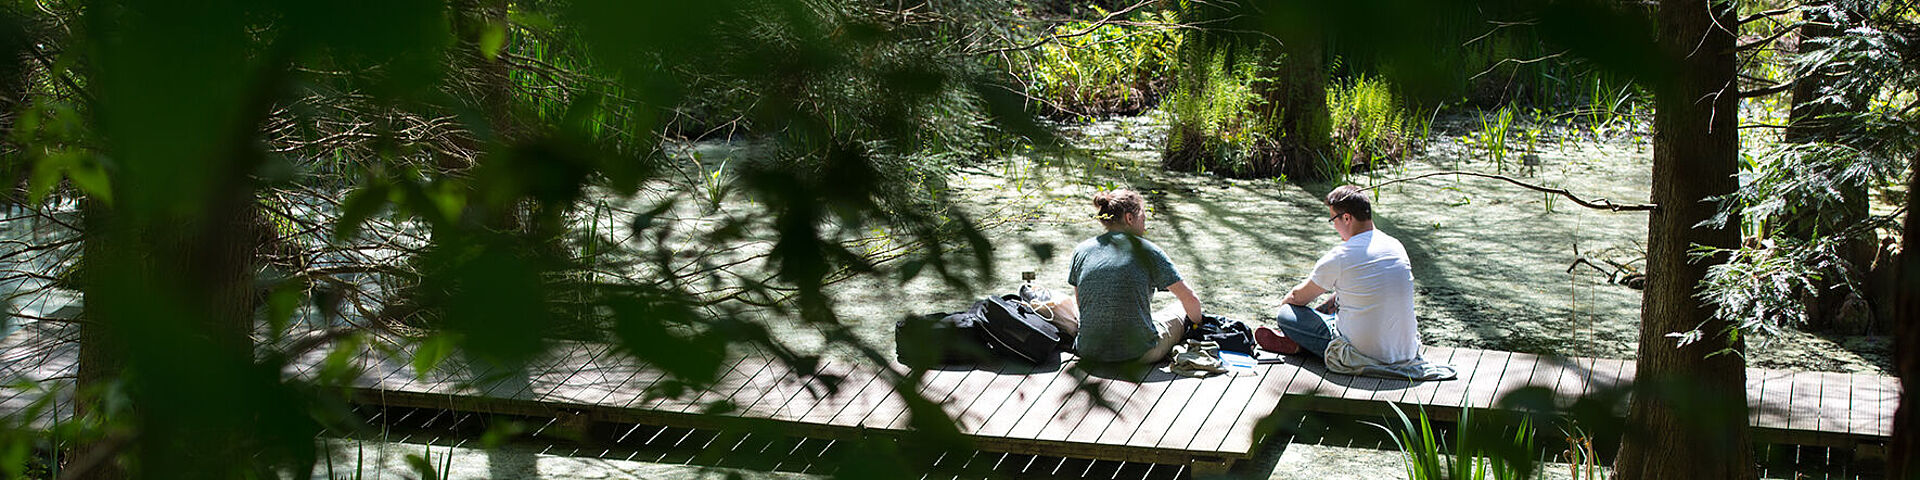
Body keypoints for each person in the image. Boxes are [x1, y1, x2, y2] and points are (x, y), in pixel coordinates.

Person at [1257, 185, 1430, 376]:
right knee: (1340, 305)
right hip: (1404, 352)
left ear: (1346, 218)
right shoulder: (1395, 246)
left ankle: (1299, 343)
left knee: (1287, 315)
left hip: (1362, 353)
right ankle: (1300, 341)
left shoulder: (1341, 256)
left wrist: (1287, 319)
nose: (1334, 227)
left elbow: (1297, 298)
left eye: (1333, 220)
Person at [1068, 189, 1205, 363]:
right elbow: (1190, 299)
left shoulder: (1081, 250)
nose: (1145, 226)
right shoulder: (1147, 251)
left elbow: (1081, 303)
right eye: (1143, 218)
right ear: (1129, 218)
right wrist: (1198, 326)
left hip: (1088, 351)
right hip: (1138, 354)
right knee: (1180, 308)